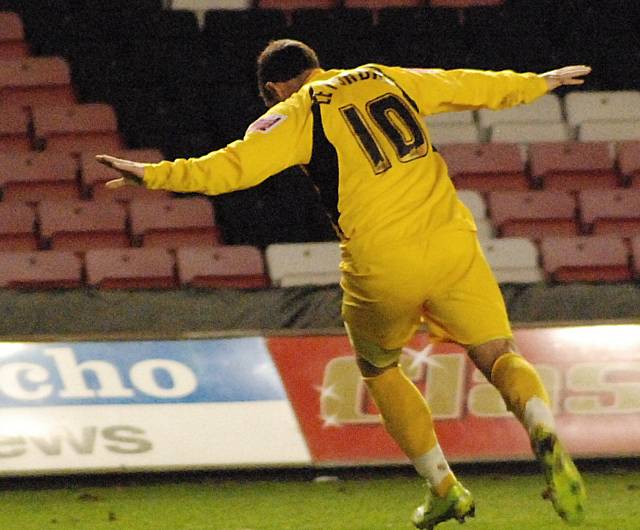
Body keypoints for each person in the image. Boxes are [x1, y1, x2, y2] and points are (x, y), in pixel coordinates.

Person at [97, 39, 590, 529]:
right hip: (451, 243)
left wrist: (153, 175)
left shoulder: (294, 112)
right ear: (316, 65)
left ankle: (443, 488)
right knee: (498, 353)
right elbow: (464, 83)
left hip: (380, 259)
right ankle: (540, 426)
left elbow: (232, 167)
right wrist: (539, 82)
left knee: (379, 366)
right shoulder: (383, 76)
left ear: (272, 88)